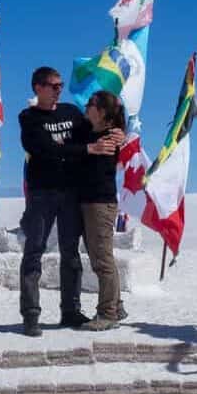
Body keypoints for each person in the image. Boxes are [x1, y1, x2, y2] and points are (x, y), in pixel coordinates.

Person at [16, 66, 121, 337]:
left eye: (60, 85)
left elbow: (100, 126)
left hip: (71, 193)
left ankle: (70, 310)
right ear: (38, 87)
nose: (58, 90)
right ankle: (31, 315)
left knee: (71, 254)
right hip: (42, 194)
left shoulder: (72, 113)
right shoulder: (28, 117)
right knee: (34, 252)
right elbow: (43, 148)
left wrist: (119, 131)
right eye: (53, 85)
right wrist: (86, 149)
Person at [78, 90, 127, 331]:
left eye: (91, 104)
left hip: (100, 203)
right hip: (91, 202)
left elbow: (87, 166)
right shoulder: (91, 132)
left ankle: (108, 313)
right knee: (101, 257)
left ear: (103, 112)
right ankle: (115, 306)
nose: (86, 107)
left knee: (102, 259)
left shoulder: (109, 138)